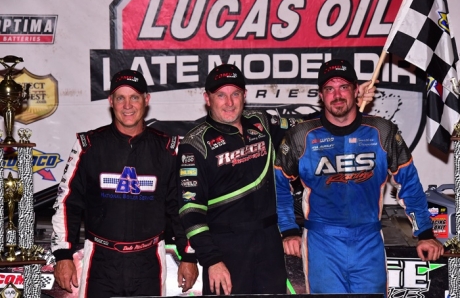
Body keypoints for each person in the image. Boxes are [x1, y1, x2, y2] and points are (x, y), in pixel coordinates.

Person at [176, 63, 376, 295]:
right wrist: (212, 260)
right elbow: (190, 210)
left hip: (269, 245)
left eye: (235, 94)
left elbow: (308, 126)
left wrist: (347, 102)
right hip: (225, 250)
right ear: (207, 98)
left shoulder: (262, 122)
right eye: (221, 95)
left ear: (245, 96)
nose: (229, 102)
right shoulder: (195, 143)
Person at [274, 59, 444, 296]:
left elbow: (409, 183)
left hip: (369, 241)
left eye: (343, 87)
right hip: (322, 244)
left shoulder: (382, 131)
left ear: (357, 90)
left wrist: (425, 232)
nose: (337, 95)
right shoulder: (301, 135)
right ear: (321, 96)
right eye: (329, 89)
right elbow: (279, 185)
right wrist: (288, 229)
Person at [50, 69, 198, 298]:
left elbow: (183, 207)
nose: (127, 105)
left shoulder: (169, 148)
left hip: (150, 262)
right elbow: (67, 201)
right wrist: (63, 255)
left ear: (146, 100)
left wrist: (188, 255)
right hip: (100, 260)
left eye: (134, 97)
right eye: (120, 98)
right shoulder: (88, 145)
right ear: (111, 101)